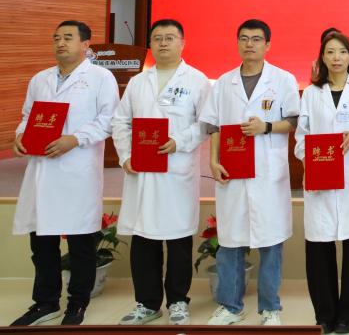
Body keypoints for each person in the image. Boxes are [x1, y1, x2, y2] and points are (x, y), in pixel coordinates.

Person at [10, 20, 119, 327]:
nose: (60, 43)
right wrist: (20, 136)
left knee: (80, 241)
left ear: (86, 44)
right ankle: (45, 303)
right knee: (41, 242)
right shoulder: (40, 79)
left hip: (77, 169)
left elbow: (109, 120)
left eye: (68, 37)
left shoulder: (100, 78)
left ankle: (77, 303)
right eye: (56, 38)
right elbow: (28, 116)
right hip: (42, 169)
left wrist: (76, 139)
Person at [199, 19, 300, 326]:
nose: (249, 44)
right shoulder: (223, 83)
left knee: (270, 242)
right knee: (230, 241)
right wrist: (213, 161)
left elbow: (294, 122)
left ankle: (270, 308)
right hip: (232, 171)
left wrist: (265, 127)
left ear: (267, 45)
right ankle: (230, 306)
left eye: (256, 39)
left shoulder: (282, 79)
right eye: (244, 38)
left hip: (268, 173)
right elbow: (214, 126)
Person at [111, 19, 211, 326]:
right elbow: (120, 121)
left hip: (176, 171)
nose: (163, 43)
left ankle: (178, 302)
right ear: (151, 44)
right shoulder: (138, 82)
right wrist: (125, 156)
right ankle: (147, 303)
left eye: (169, 37)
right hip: (142, 172)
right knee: (144, 240)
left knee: (178, 240)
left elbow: (206, 124)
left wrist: (179, 141)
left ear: (182, 43)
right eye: (157, 38)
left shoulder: (197, 80)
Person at [296, 30, 349, 334]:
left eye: (342, 52)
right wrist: (309, 160)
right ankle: (325, 313)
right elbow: (301, 136)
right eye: (330, 52)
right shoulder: (311, 93)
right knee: (319, 246)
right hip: (321, 174)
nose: (336, 58)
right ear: (322, 57)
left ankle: (348, 315)